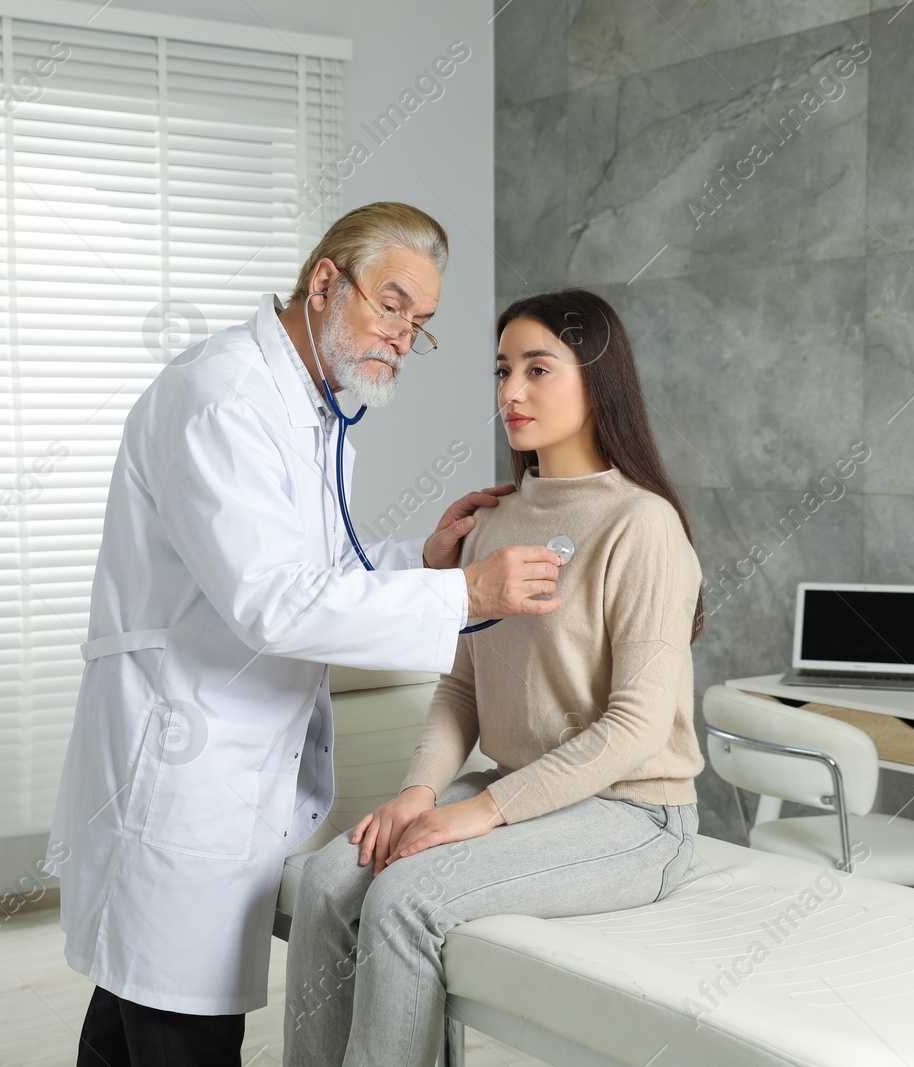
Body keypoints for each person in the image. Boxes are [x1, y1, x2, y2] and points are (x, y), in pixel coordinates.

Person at [47, 202, 567, 1067]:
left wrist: (424, 560)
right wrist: (465, 589)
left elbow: (312, 571)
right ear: (325, 282)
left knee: (128, 1017)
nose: (403, 337)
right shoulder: (222, 397)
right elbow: (271, 602)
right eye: (392, 304)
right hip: (181, 766)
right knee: (179, 1026)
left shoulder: (309, 407)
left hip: (215, 762)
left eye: (422, 324)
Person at [282, 287, 708, 1067]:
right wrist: (419, 792)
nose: (511, 392)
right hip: (522, 790)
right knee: (324, 881)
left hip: (635, 817)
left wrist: (483, 811)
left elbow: (637, 727)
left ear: (597, 381)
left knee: (406, 896)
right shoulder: (497, 520)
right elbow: (462, 688)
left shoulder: (642, 525)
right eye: (502, 369)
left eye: (538, 369)